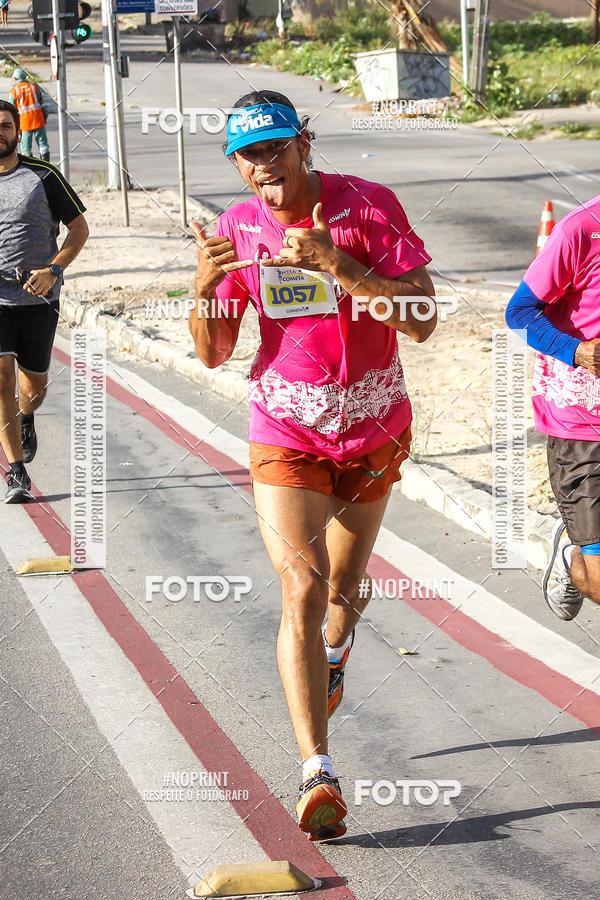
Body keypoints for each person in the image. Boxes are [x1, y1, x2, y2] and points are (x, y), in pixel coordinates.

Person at [188, 90, 436, 840]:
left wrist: (340, 265)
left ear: (303, 143)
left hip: (374, 423)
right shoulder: (236, 229)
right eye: (247, 155)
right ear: (235, 164)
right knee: (302, 583)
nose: (264, 165)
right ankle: (316, 771)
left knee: (343, 590)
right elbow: (213, 351)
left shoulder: (368, 205)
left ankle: (334, 650)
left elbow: (423, 321)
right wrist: (203, 291)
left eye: (275, 147)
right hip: (286, 426)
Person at [505, 194, 600, 622]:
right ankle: (571, 553)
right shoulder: (581, 230)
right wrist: (576, 351)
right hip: (581, 425)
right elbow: (519, 312)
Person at [0, 99, 88, 503]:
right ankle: (16, 472)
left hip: (39, 298)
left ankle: (27, 414)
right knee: (1, 378)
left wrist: (53, 270)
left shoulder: (43, 175)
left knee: (32, 387)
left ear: (18, 132)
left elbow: (79, 229)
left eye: (5, 125)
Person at [10, 68, 50, 161]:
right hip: (38, 119)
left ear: (15, 79)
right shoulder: (34, 88)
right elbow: (43, 105)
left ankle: (29, 166)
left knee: (26, 148)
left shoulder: (15, 91)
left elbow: (11, 110)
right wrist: (44, 116)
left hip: (25, 123)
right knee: (43, 144)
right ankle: (46, 164)